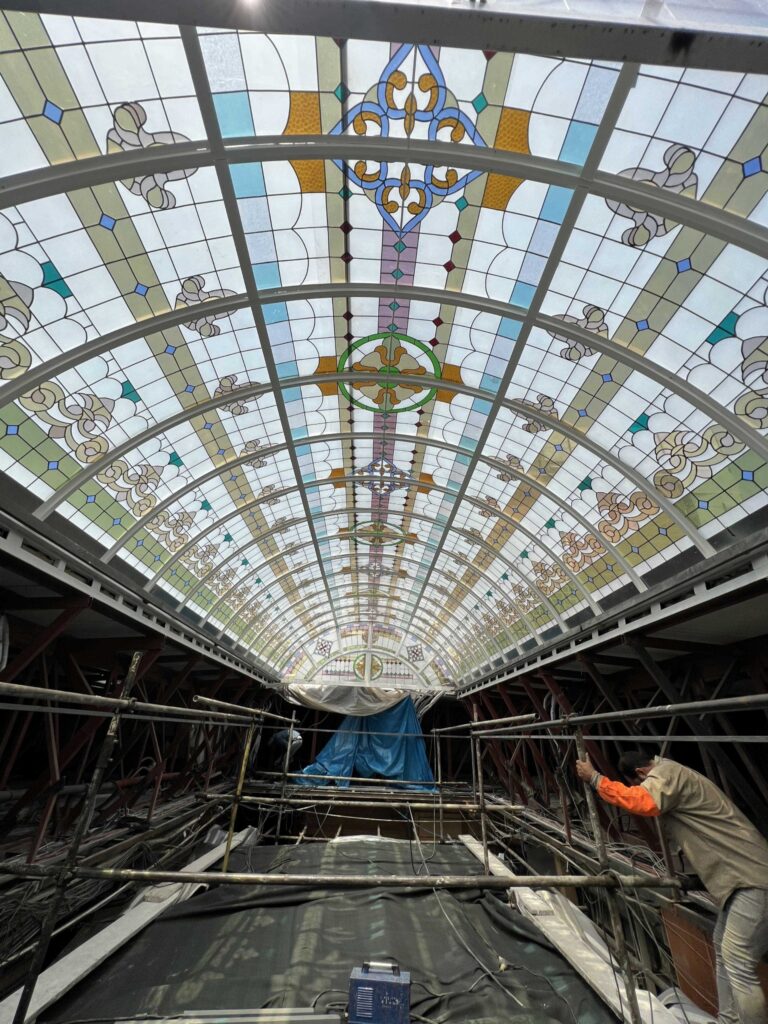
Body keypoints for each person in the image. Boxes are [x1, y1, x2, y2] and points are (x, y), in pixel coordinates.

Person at [575, 751, 768, 1024]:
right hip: (742, 881)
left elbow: (643, 802)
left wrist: (595, 779)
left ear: (641, 774)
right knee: (723, 948)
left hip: (753, 880)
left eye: (639, 783)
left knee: (738, 961)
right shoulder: (680, 775)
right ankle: (729, 1020)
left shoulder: (666, 773)